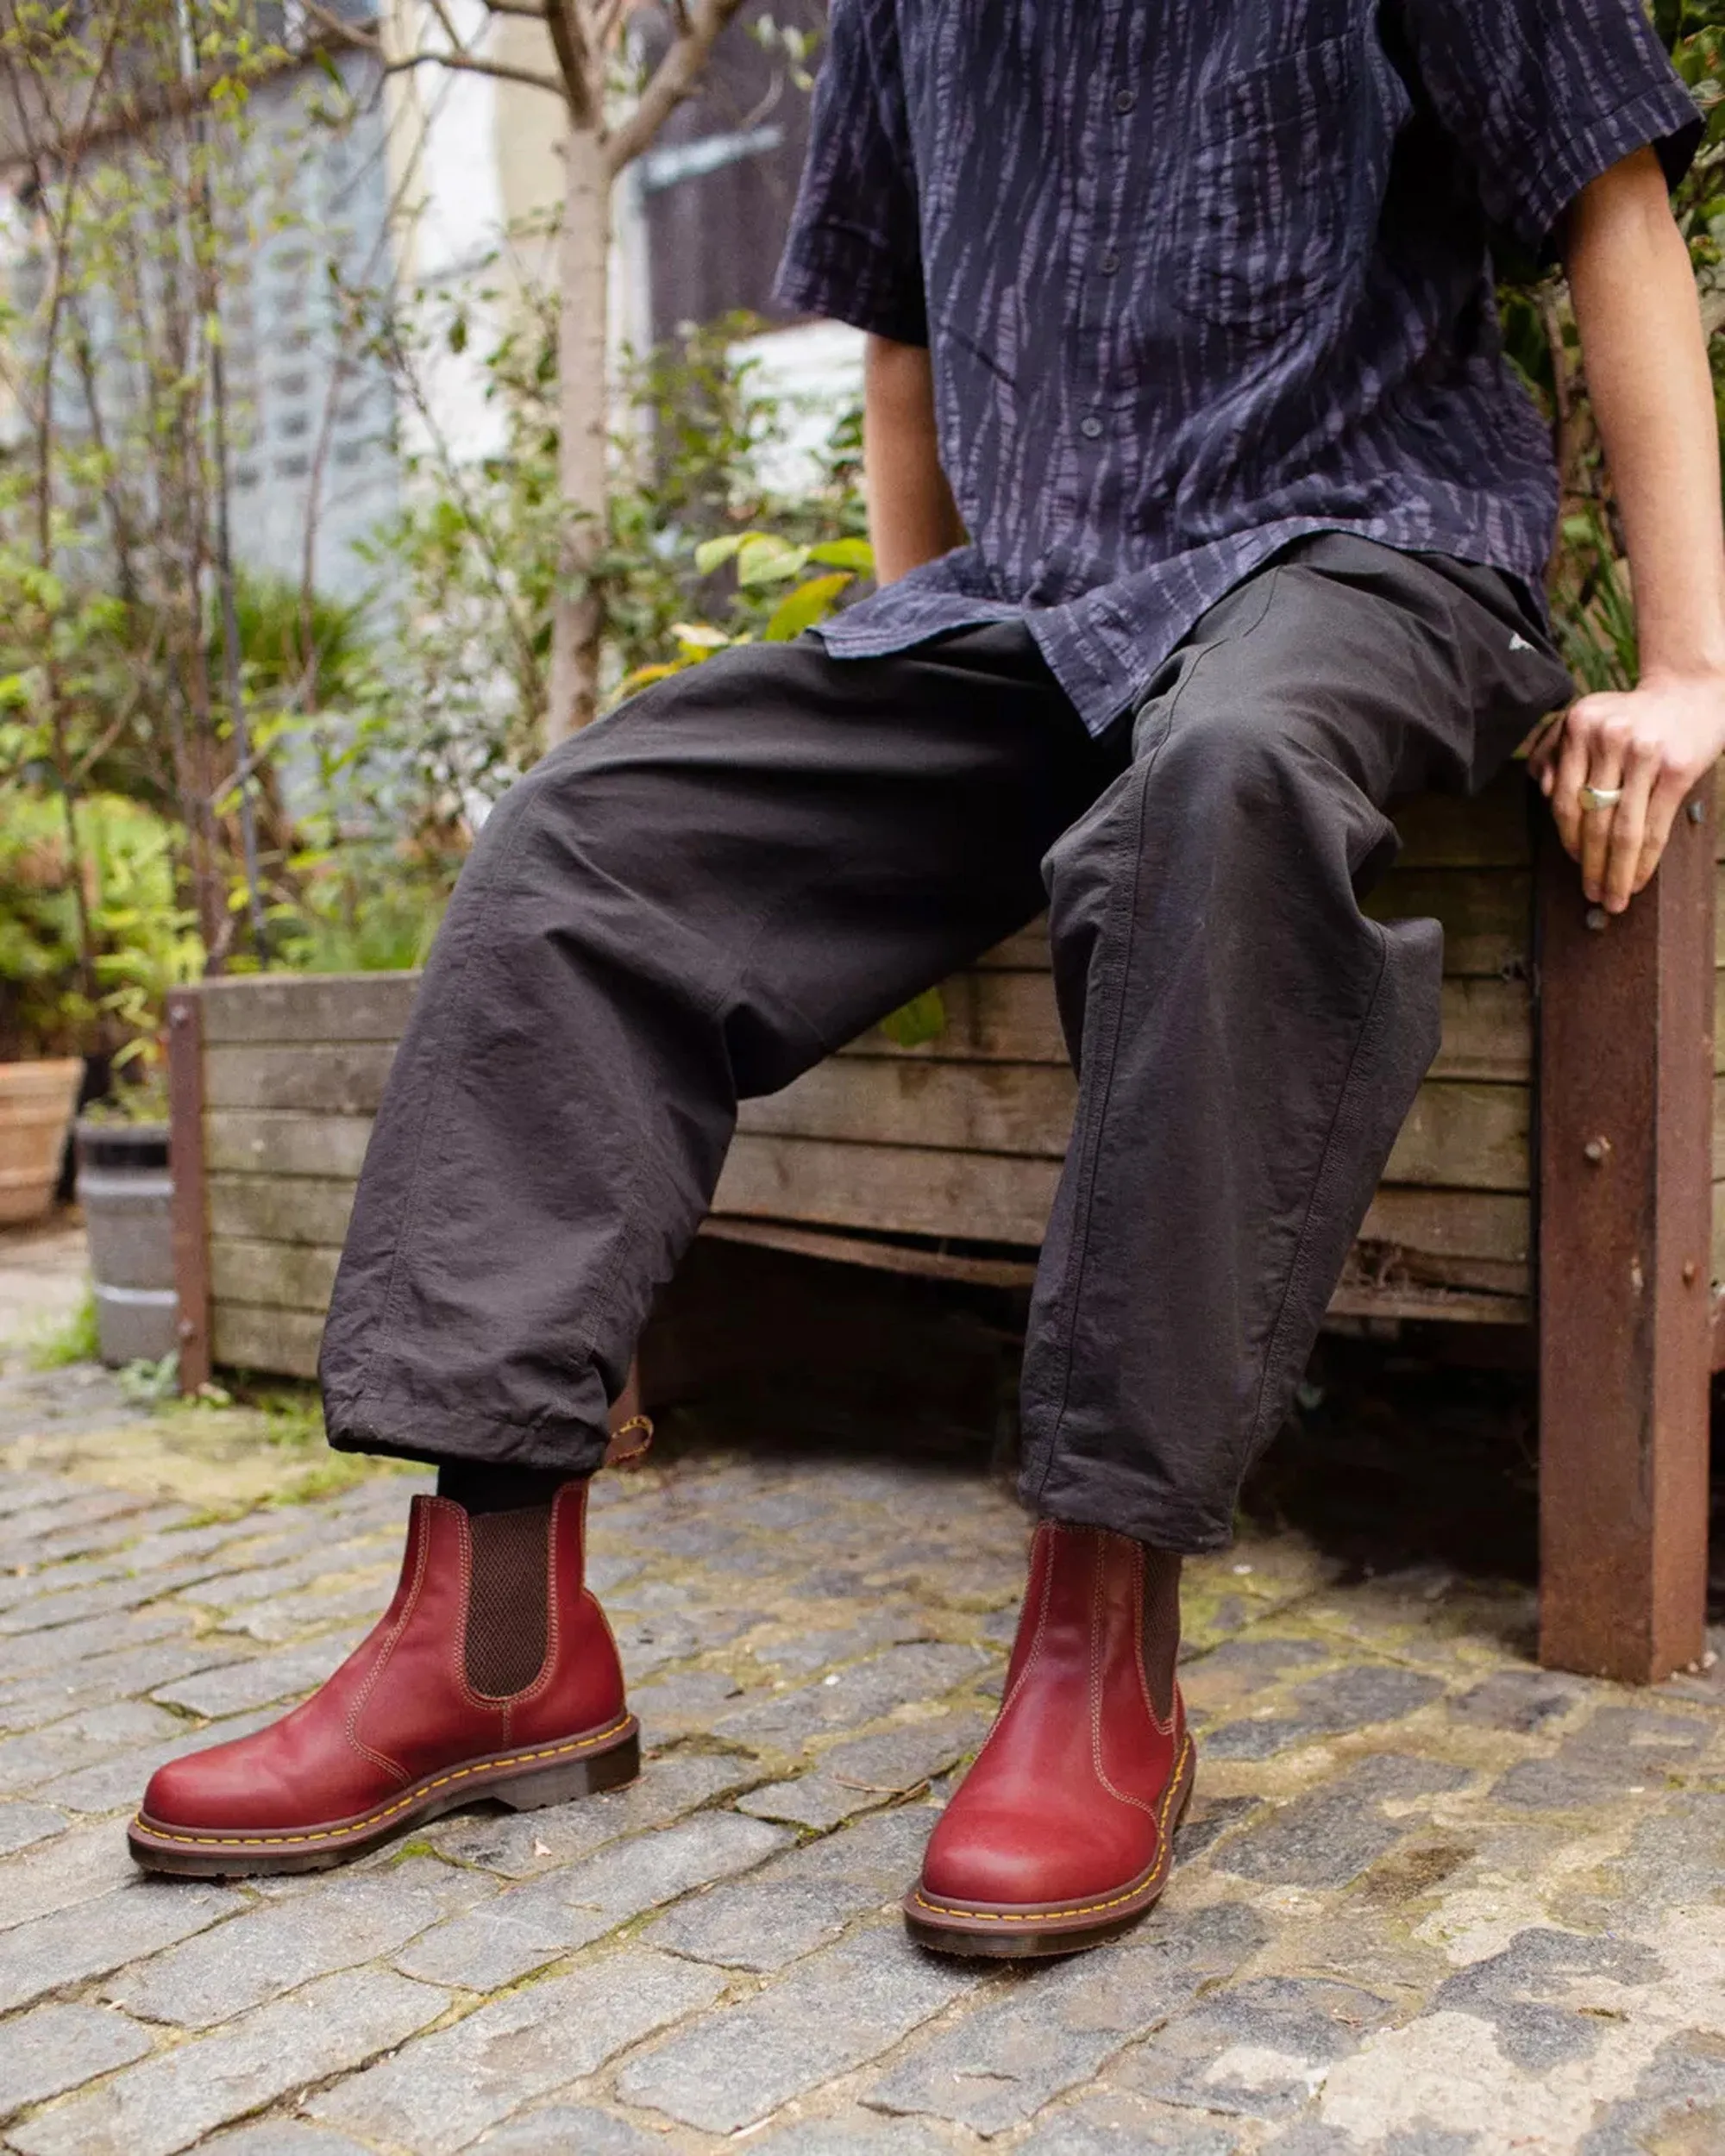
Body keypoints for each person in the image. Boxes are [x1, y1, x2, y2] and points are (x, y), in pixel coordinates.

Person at [130, 2, 1723, 1956]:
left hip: (1361, 555)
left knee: (1214, 787)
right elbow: (901, 345)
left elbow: (1610, 204)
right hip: (1039, 607)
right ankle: (492, 1631)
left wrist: (1687, 669)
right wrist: (939, 714)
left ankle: (1098, 1645)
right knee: (583, 836)